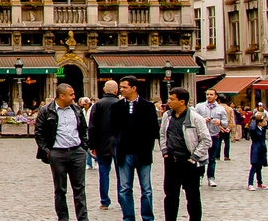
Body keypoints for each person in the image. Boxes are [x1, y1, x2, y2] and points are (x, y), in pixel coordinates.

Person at [34, 83, 89, 221]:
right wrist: (47, 152)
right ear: (61, 96)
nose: (74, 97)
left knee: (80, 189)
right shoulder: (47, 111)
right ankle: (63, 218)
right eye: (71, 95)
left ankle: (83, 218)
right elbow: (39, 133)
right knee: (60, 190)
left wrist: (84, 147)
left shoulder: (76, 110)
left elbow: (83, 129)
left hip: (77, 151)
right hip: (57, 153)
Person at [110, 75, 160, 221]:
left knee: (146, 190)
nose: (122, 90)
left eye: (125, 87)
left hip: (143, 153)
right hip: (124, 153)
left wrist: (148, 146)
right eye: (121, 87)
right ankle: (128, 217)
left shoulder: (148, 106)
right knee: (125, 189)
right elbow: (114, 129)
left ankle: (147, 217)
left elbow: (153, 131)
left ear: (134, 88)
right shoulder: (117, 107)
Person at [160, 87, 211, 221]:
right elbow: (162, 135)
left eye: (172, 99)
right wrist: (165, 151)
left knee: (192, 196)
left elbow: (206, 140)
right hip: (172, 161)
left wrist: (194, 157)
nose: (168, 101)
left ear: (182, 101)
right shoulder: (167, 115)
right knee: (170, 195)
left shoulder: (195, 118)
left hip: (189, 162)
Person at [88, 80, 121, 211]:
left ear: (103, 89)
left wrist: (92, 145)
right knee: (122, 175)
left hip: (102, 144)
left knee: (103, 173)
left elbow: (92, 126)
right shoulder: (121, 104)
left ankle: (104, 201)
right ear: (116, 90)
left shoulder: (98, 105)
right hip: (119, 144)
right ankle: (123, 199)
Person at [193, 88, 228, 186]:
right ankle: (200, 176)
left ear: (216, 96)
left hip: (214, 136)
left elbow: (226, 123)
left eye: (211, 94)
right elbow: (193, 119)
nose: (209, 96)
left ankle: (211, 178)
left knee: (212, 158)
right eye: (207, 94)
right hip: (201, 136)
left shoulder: (221, 109)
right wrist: (202, 120)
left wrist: (220, 122)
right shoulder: (199, 106)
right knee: (201, 158)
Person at [246, 110, 268, 190]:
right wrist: (254, 118)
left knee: (259, 167)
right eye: (263, 120)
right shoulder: (254, 129)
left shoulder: (262, 128)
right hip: (256, 149)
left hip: (262, 149)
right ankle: (250, 184)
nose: (265, 121)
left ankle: (260, 183)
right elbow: (252, 127)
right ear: (259, 122)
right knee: (254, 167)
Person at [220, 96, 234, 160]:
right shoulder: (230, 109)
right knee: (227, 142)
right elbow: (231, 119)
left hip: (218, 127)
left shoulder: (218, 108)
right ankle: (226, 156)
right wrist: (229, 127)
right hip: (227, 127)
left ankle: (217, 155)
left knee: (218, 142)